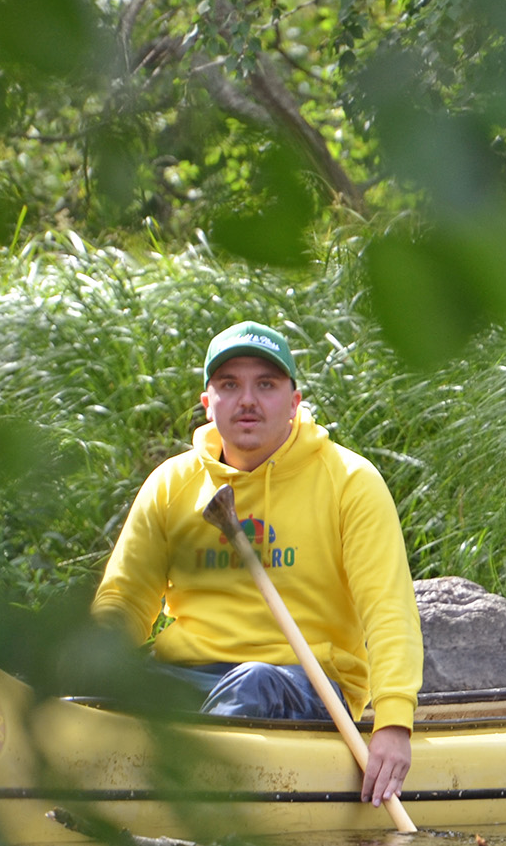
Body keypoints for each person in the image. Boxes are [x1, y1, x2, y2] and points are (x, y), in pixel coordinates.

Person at [92, 321, 422, 806]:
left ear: (294, 401)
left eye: (265, 384)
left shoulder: (350, 482)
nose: (247, 400)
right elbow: (124, 599)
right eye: (230, 385)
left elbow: (388, 609)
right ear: (209, 404)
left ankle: (183, 806)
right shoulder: (171, 485)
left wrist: (393, 722)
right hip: (189, 675)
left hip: (304, 683)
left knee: (255, 682)